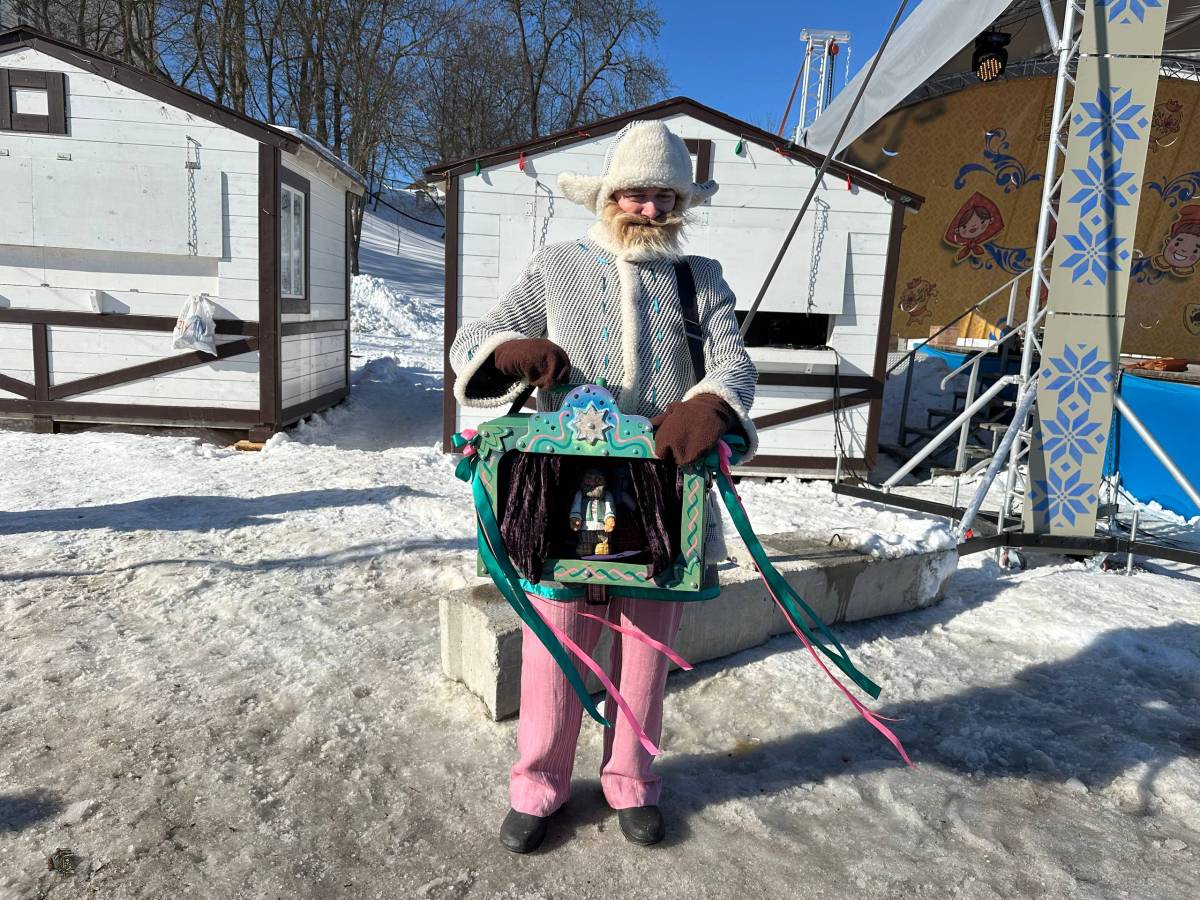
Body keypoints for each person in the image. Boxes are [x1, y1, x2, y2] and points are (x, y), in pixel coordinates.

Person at [448, 120, 758, 852]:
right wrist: (510, 350)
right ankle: (539, 785)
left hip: (666, 494)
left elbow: (735, 363)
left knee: (646, 654)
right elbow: (474, 340)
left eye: (663, 196)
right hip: (561, 493)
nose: (648, 208)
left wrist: (710, 404)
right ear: (608, 196)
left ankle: (632, 782)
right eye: (635, 193)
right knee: (558, 647)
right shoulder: (557, 266)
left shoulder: (700, 279)